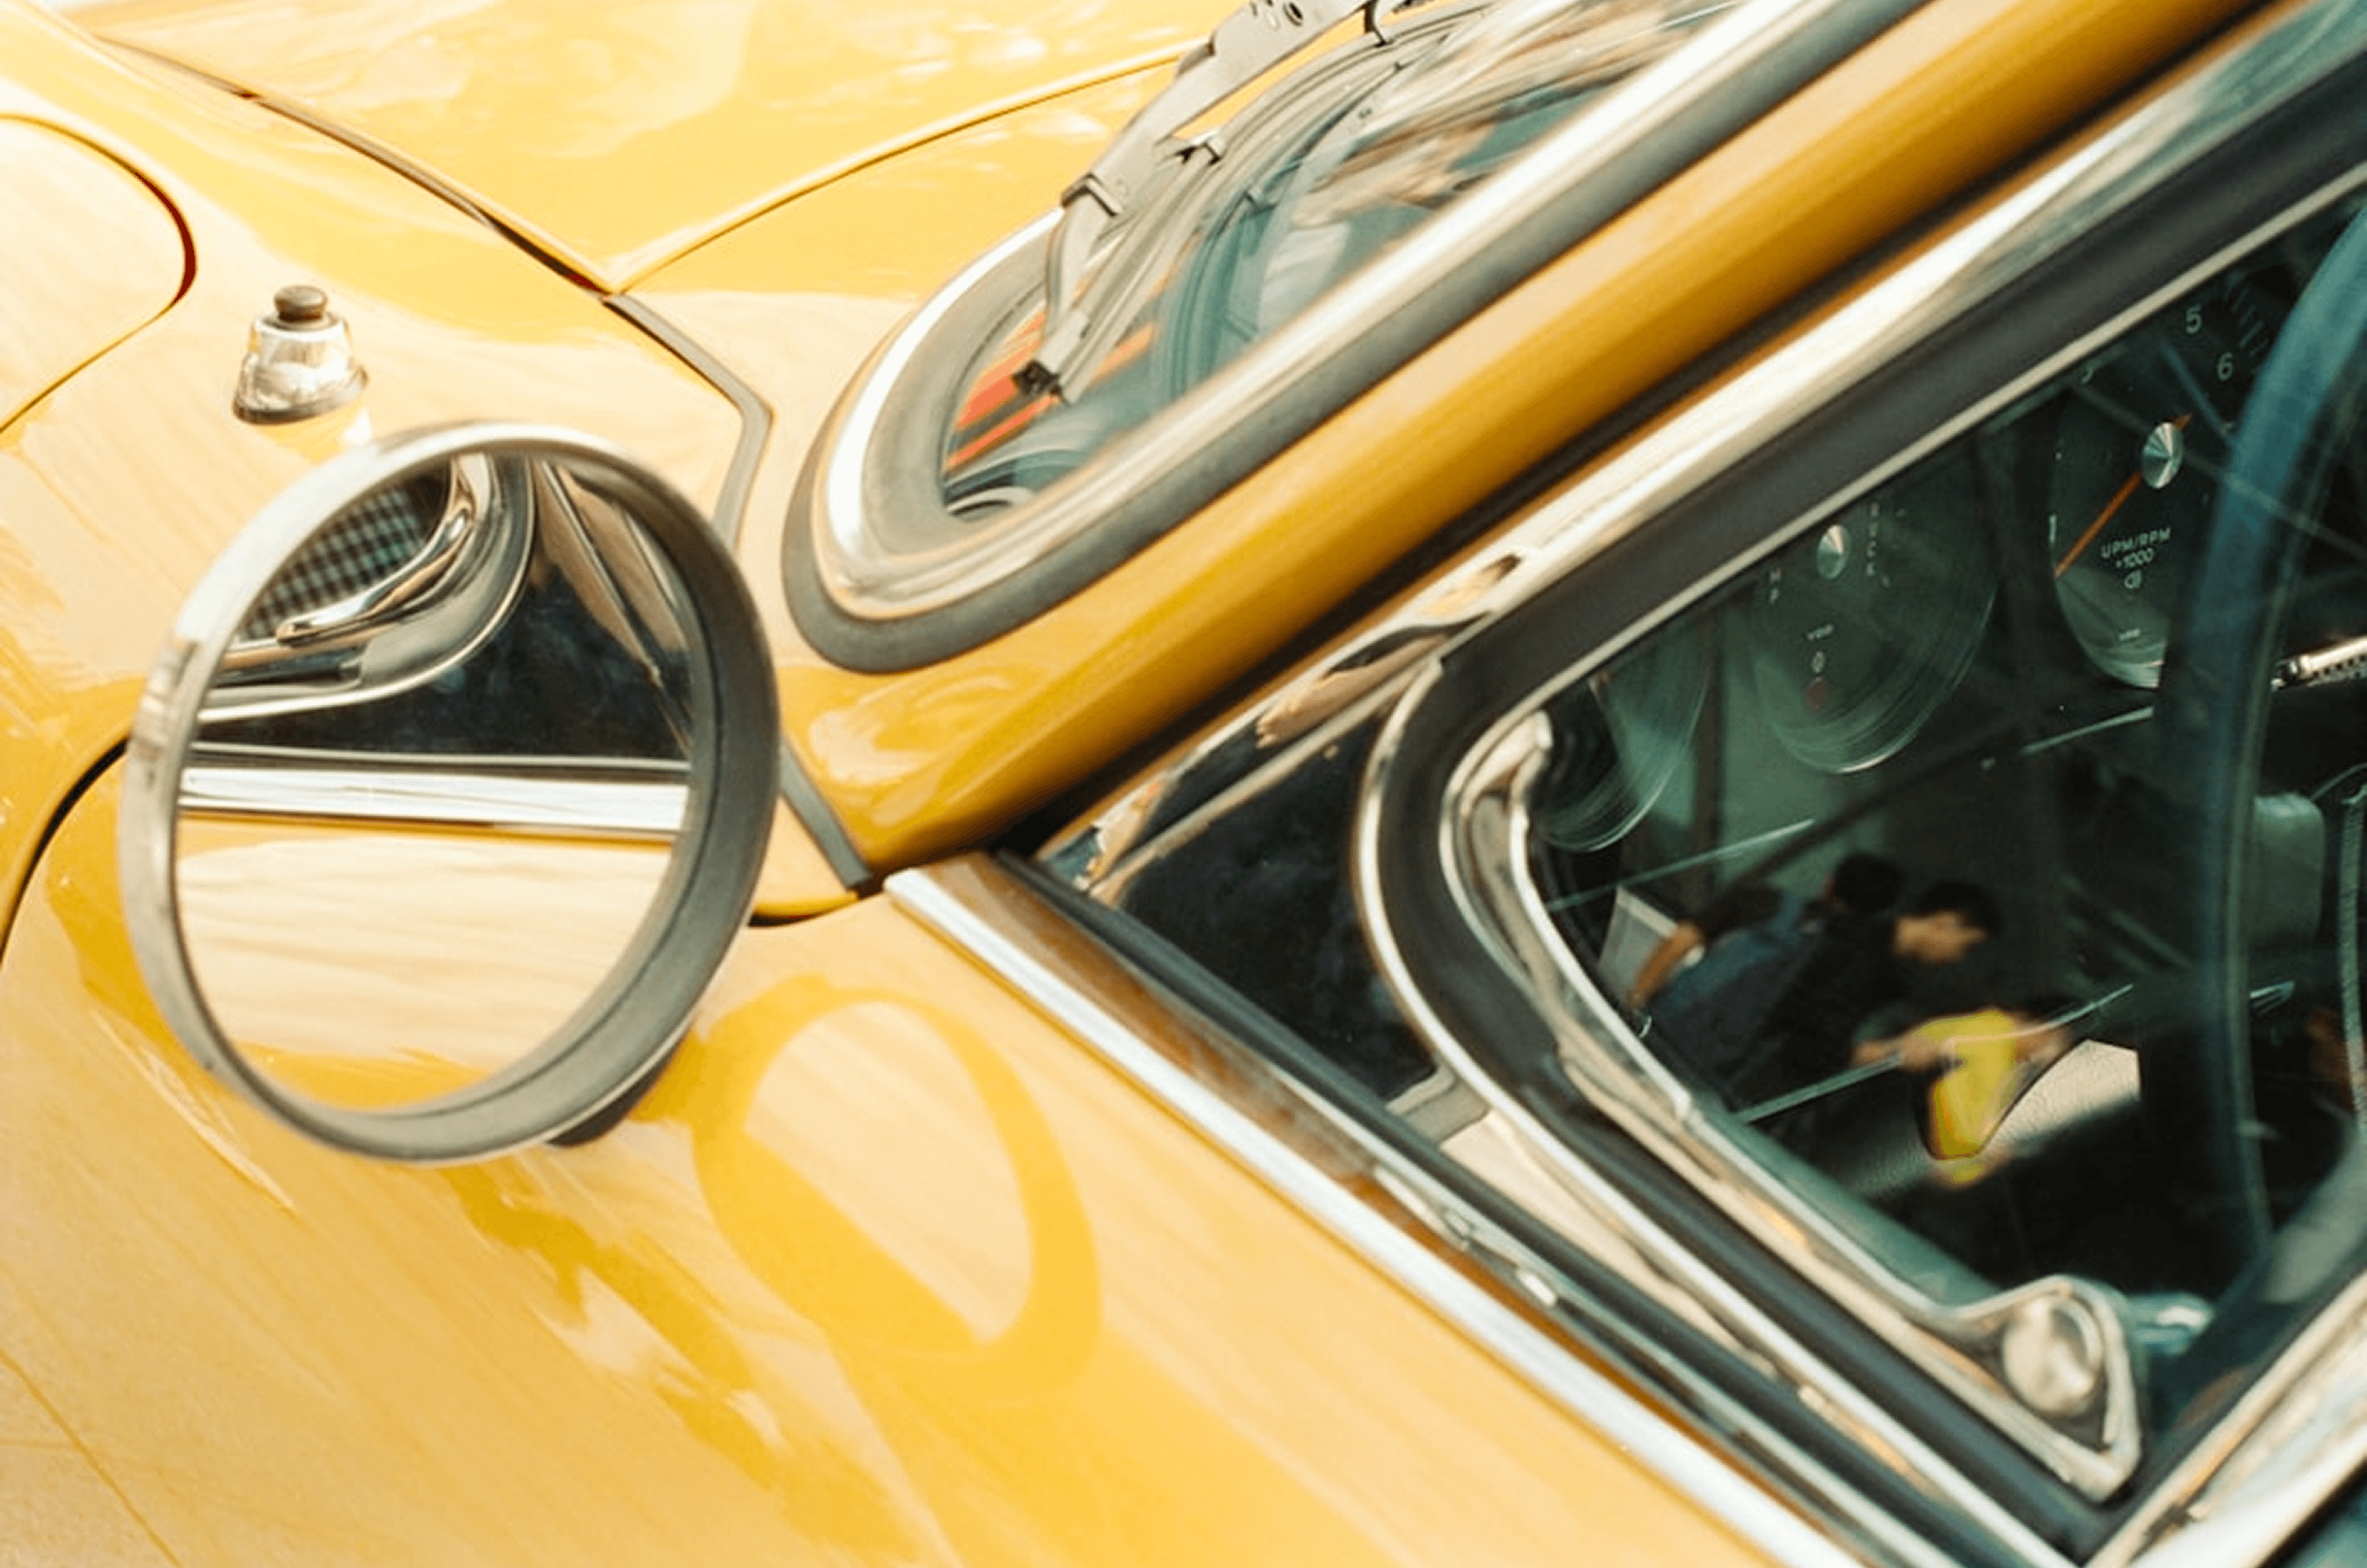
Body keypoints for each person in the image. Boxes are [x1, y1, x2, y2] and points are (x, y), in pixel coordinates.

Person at [1659, 879, 1999, 1105]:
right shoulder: (1863, 961)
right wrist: (1894, 1052)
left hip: (1692, 1046)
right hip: (1714, 1084)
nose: (1958, 959)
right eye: (1965, 946)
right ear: (1946, 922)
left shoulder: (1849, 931)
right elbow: (1810, 1049)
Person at [1627, 851, 1903, 1011]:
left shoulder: (1760, 901)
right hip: (1709, 1068)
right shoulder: (1841, 968)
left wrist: (1636, 1000)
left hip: (1670, 1016)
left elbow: (1679, 941)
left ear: (1829, 883)